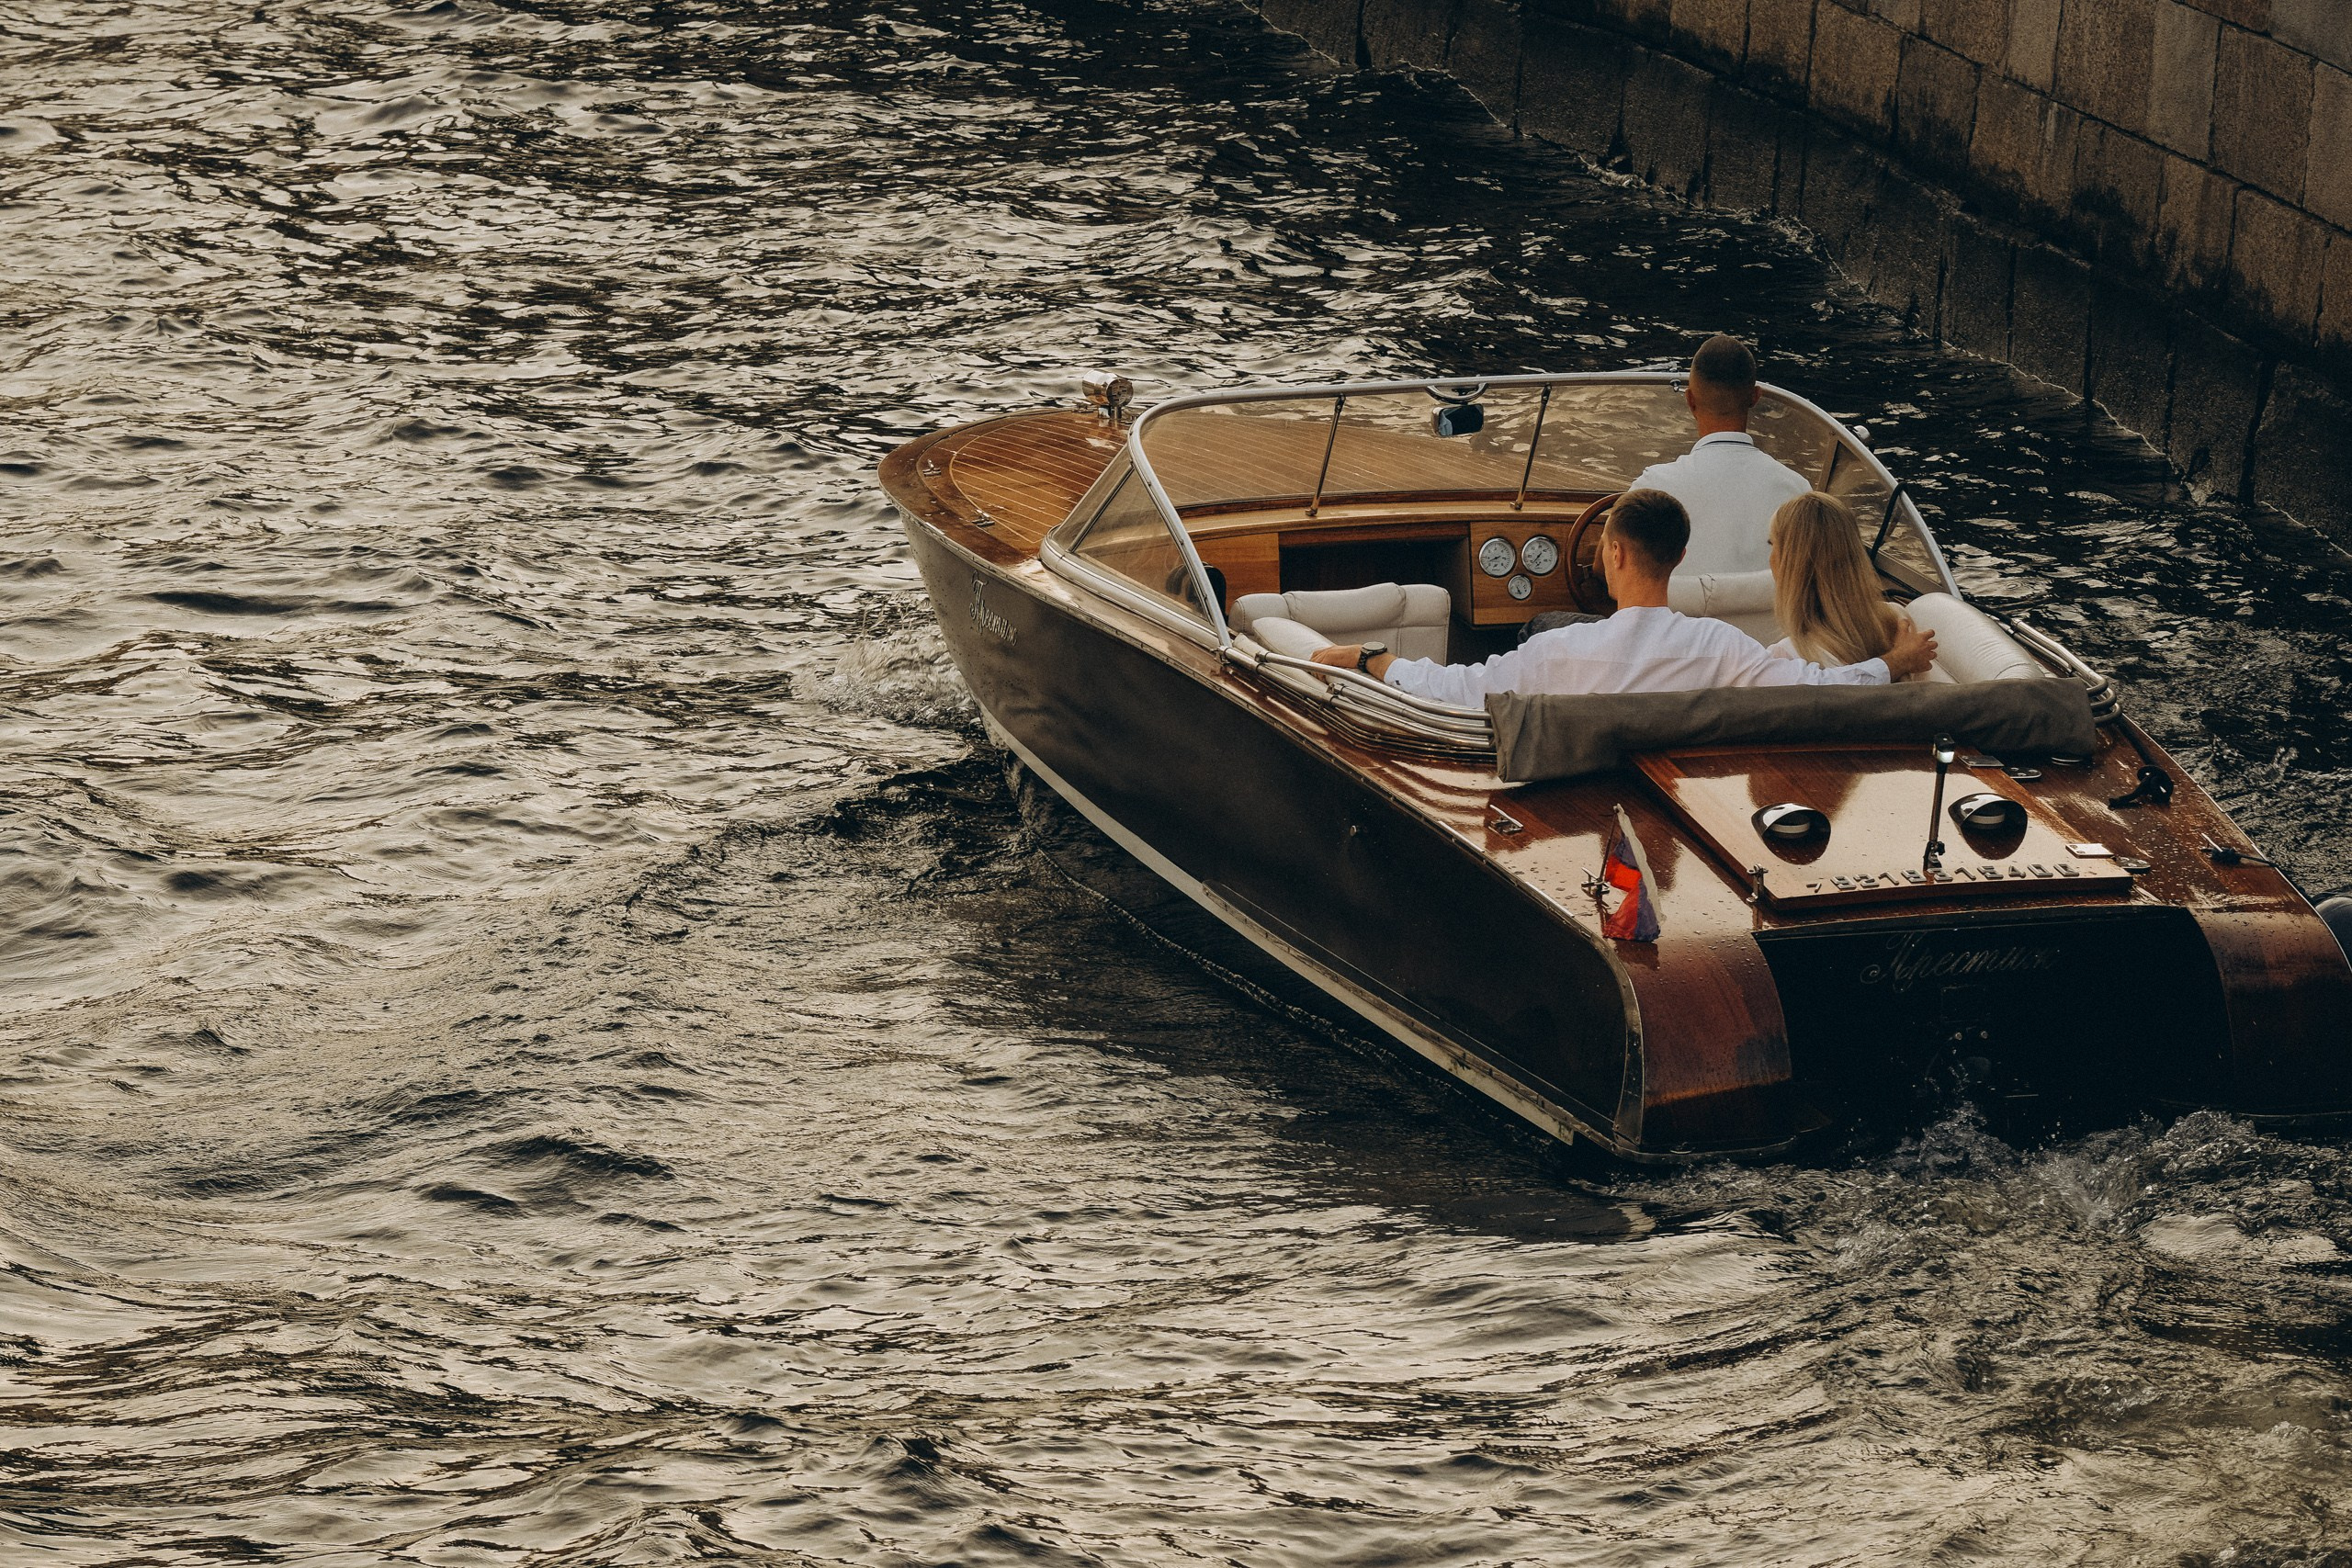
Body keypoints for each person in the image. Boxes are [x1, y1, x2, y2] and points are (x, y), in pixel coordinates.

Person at [1308, 490, 1936, 705]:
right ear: (1680, 558)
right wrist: (1894, 664)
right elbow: (1820, 691)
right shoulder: (1723, 649)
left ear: (1612, 554)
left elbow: (1454, 690)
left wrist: (1370, 658)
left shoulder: (1559, 653)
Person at [1630, 333, 1810, 578]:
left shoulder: (1650, 490)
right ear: (1755, 398)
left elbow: (1609, 569)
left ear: (1690, 400)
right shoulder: (1798, 493)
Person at [1763, 491, 1920, 676]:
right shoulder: (1898, 618)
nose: (1770, 558)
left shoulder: (1783, 659)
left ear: (1790, 566)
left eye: (1772, 545)